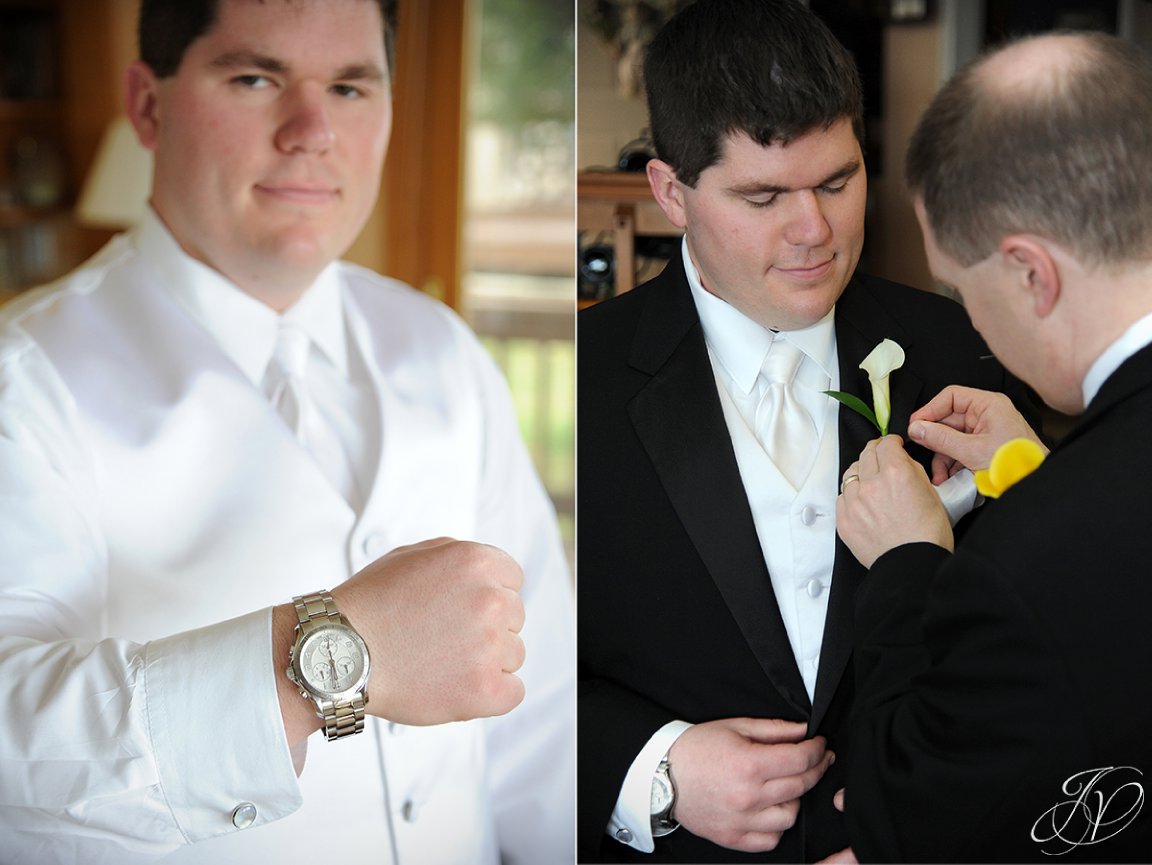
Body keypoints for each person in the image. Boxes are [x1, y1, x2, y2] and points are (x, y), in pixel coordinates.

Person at [0, 1, 574, 862]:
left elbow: (545, 715)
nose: (312, 130)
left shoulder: (444, 350)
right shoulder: (24, 381)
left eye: (348, 86)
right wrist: (336, 654)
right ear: (148, 108)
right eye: (256, 78)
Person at [576, 0, 1032, 860]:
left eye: (837, 181)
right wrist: (653, 769)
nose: (815, 231)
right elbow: (505, 672)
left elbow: (1036, 642)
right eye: (762, 195)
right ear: (672, 192)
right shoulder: (575, 382)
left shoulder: (964, 348)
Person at [835, 30, 1152, 862]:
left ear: (1030, 274)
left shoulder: (1021, 567)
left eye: (964, 288)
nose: (968, 322)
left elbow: (907, 819)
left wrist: (907, 563)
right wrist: (1037, 477)